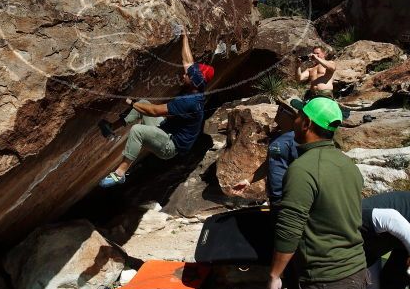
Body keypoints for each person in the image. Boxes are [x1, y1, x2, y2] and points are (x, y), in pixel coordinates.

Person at [268, 97, 367, 289]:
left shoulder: (303, 169)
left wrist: (275, 274)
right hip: (354, 272)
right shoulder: (345, 163)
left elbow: (289, 228)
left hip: (326, 281)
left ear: (307, 123)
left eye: (298, 116)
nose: (294, 120)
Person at [97, 29, 214, 188]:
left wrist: (131, 103)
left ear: (193, 81)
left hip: (170, 146)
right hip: (167, 130)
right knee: (144, 102)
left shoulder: (189, 102)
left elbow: (154, 111)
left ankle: (120, 174)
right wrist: (184, 36)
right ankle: (111, 128)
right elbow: (187, 60)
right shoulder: (196, 87)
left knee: (138, 130)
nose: (183, 75)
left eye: (187, 75)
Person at [229, 98, 298, 204]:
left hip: (289, 198)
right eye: (279, 108)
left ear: (292, 117)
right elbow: (271, 163)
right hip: (274, 196)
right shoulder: (277, 137)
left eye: (282, 110)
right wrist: (248, 181)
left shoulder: (297, 141)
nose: (278, 112)